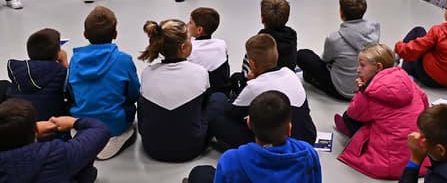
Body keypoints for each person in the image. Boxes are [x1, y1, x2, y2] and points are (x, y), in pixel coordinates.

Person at [334, 44, 429, 180]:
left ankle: (350, 132)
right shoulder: (407, 80)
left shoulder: (371, 93)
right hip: (418, 154)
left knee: (348, 116)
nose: (358, 70)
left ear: (378, 67)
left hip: (389, 163)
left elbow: (354, 113)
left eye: (362, 65)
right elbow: (425, 103)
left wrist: (362, 91)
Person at [208, 34, 316, 149]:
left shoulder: (254, 87)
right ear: (276, 55)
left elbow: (232, 114)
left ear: (252, 64)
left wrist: (246, 85)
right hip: (307, 138)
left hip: (277, 145)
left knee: (218, 122)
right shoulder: (290, 73)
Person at [187, 91, 322, 183]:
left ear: (249, 123)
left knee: (199, 174)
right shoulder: (308, 153)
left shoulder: (231, 160)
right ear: (289, 128)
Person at [0, 98, 110, 183]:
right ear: (33, 132)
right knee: (87, 172)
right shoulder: (56, 155)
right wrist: (74, 122)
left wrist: (31, 130)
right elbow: (100, 131)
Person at [67, 6, 139, 160]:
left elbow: (71, 92)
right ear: (115, 34)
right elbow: (134, 93)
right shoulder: (123, 59)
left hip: (82, 124)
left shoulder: (74, 60)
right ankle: (116, 137)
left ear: (85, 35)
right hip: (115, 124)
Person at [138, 19, 210, 162]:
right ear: (183, 47)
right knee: (217, 100)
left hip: (152, 147)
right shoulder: (200, 72)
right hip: (191, 148)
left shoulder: (147, 73)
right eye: (191, 39)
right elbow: (204, 105)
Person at [297, 0, 380, 100]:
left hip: (341, 90)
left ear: (341, 13)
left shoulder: (335, 39)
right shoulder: (374, 29)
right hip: (365, 85)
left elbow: (325, 60)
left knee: (302, 55)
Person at [233, 0, 297, 94]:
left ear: (262, 19)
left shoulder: (258, 44)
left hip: (265, 88)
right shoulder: (292, 35)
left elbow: (248, 73)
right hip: (286, 80)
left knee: (235, 78)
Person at [6, 28, 68, 122]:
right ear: (57, 54)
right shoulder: (60, 71)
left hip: (21, 125)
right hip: (51, 124)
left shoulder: (18, 70)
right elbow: (71, 85)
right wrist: (64, 62)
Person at [187, 7, 231, 95]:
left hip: (204, 93)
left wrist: (187, 39)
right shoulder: (221, 44)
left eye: (190, 22)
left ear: (199, 30)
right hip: (223, 90)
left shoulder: (191, 49)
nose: (187, 24)